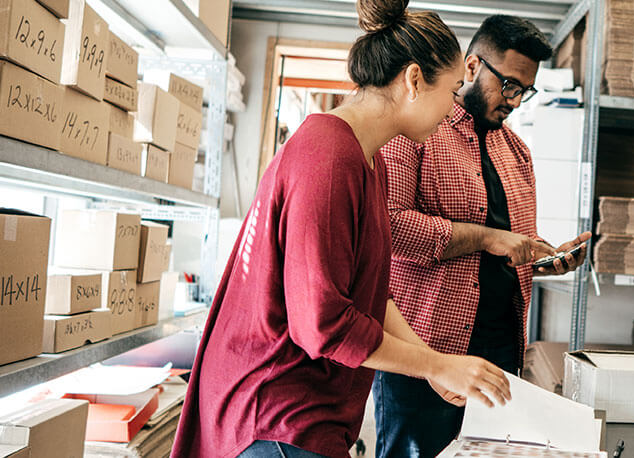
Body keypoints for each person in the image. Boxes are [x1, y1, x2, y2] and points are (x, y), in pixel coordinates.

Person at [170, 2, 512, 457]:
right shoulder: (328, 158)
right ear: (413, 81)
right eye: (451, 92)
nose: (453, 109)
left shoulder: (369, 160)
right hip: (275, 415)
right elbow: (323, 325)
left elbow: (371, 295)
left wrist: (435, 368)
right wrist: (436, 364)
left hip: (306, 411)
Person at [374, 14, 592, 457]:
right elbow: (390, 226)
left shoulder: (517, 151)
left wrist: (548, 260)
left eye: (524, 91)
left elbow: (513, 249)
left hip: (499, 354)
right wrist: (487, 237)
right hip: (425, 353)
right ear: (472, 67)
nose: (515, 101)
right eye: (508, 85)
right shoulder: (415, 132)